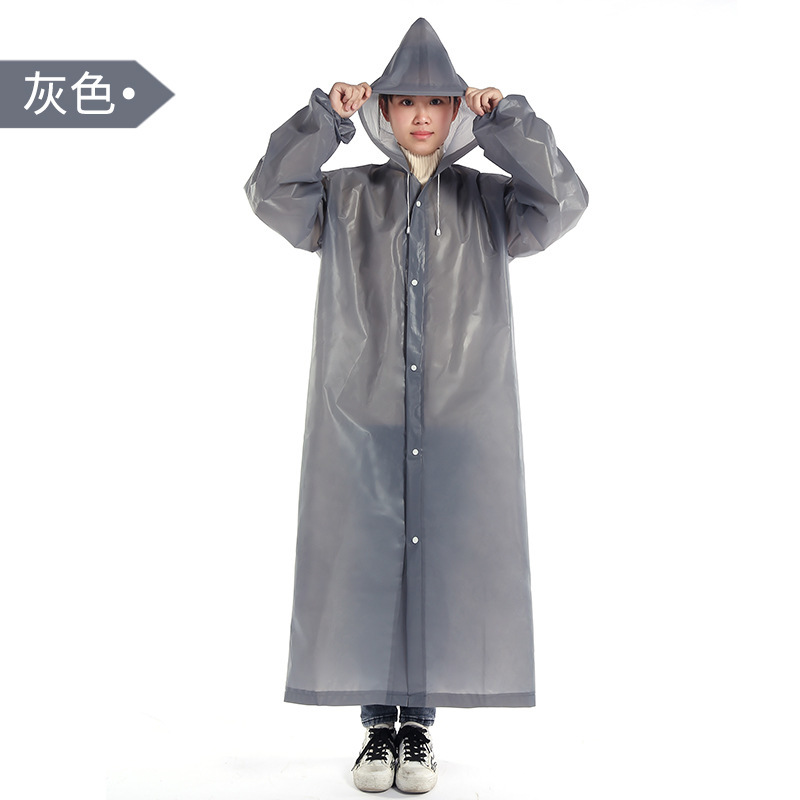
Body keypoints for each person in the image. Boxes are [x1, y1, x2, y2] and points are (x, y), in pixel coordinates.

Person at [244, 18, 588, 794]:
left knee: (439, 571)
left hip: (461, 417)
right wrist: (323, 121)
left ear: (457, 110)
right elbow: (270, 192)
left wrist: (510, 123)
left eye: (437, 101)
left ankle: (419, 729)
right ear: (385, 111)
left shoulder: (489, 201)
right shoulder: (346, 196)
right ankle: (379, 729)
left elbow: (563, 201)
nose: (422, 115)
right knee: (369, 569)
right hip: (362, 417)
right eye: (405, 101)